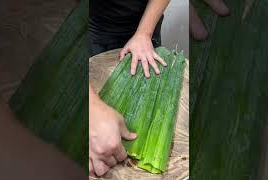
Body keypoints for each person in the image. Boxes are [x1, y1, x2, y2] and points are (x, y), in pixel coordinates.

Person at [89, 0, 230, 177]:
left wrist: (144, 32)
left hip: (146, 16)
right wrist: (93, 107)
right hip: (95, 27)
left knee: (151, 72)